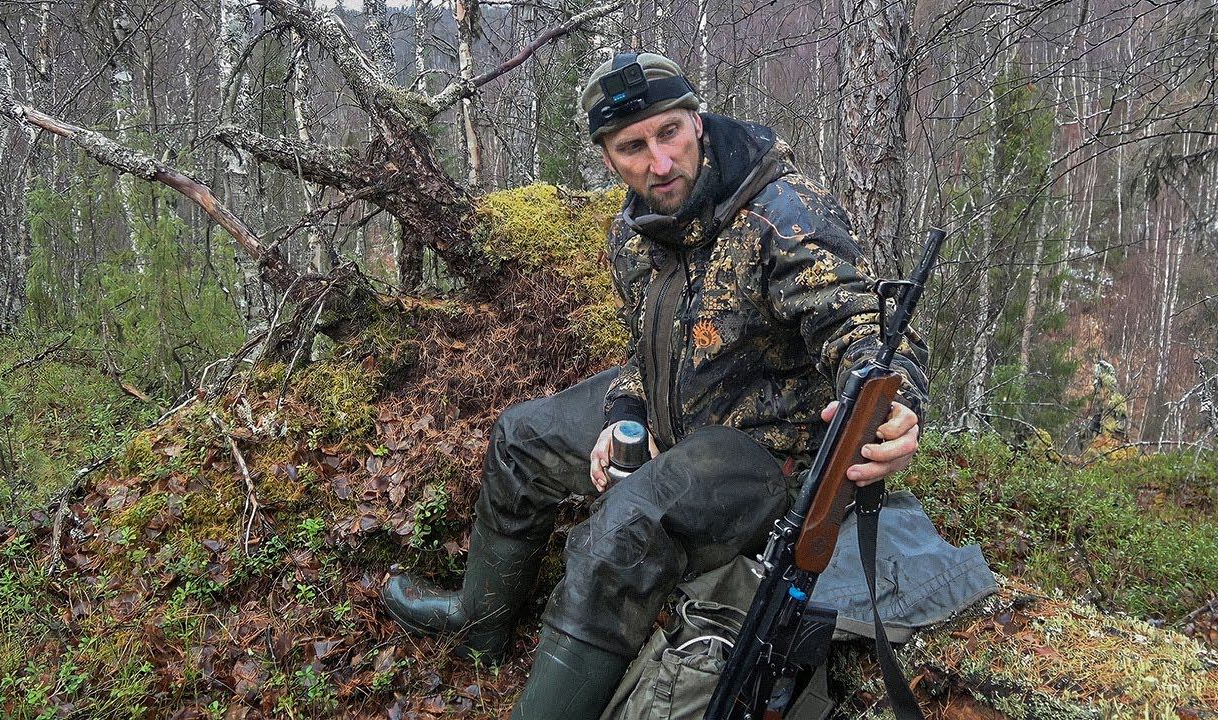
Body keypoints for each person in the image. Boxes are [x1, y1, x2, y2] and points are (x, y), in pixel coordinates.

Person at [382, 52, 929, 719]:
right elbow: (643, 352)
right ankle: (479, 623)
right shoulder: (633, 231)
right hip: (676, 418)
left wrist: (895, 407)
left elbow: (865, 327)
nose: (660, 162)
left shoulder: (783, 216)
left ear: (696, 120)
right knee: (521, 437)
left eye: (669, 132)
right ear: (608, 158)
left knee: (621, 532)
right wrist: (625, 413)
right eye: (632, 146)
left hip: (765, 455)